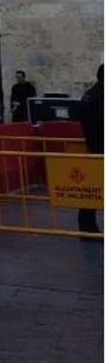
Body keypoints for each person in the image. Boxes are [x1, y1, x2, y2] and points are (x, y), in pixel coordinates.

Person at [78, 64, 103, 235]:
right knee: (94, 190)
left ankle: (87, 226)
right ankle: (88, 227)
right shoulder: (100, 97)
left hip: (95, 148)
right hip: (100, 149)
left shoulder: (90, 94)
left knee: (93, 191)